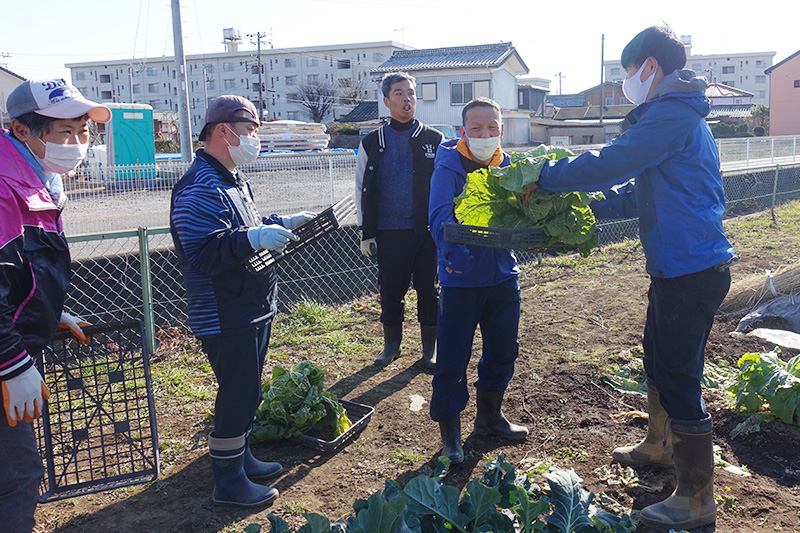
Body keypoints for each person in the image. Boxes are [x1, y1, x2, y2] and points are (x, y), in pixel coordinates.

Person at [526, 26, 736, 530]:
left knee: (681, 375)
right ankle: (660, 444)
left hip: (693, 267)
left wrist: (547, 177)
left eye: (626, 71)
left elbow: (614, 162)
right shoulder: (673, 115)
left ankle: (696, 497)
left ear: (650, 68)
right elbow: (635, 191)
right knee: (657, 357)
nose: (625, 82)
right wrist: (584, 210)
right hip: (677, 265)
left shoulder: (672, 113)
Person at [169, 95, 314, 507]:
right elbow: (203, 250)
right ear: (222, 131)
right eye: (250, 130)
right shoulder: (198, 186)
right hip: (224, 310)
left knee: (248, 391)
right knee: (237, 392)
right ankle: (228, 481)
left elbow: (241, 227)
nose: (254, 138)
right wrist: (253, 238)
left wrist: (276, 224)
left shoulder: (230, 178)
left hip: (250, 303)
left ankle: (242, 455)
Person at [0, 79, 110, 533]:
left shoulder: (33, 177)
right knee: (18, 475)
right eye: (65, 133)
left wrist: (46, 310)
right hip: (6, 355)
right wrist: (11, 364)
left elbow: (18, 272)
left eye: (83, 133)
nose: (78, 145)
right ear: (22, 130)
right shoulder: (6, 183)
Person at [428, 97, 529, 465]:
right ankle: (450, 434)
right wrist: (458, 252)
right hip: (460, 280)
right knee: (453, 358)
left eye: (492, 128)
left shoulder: (510, 166)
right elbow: (439, 219)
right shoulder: (448, 167)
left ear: (501, 130)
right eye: (476, 129)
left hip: (503, 276)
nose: (484, 135)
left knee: (503, 350)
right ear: (462, 132)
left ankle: (489, 418)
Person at [355, 72, 444, 369]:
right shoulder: (372, 142)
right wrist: (366, 232)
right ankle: (391, 345)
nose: (407, 99)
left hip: (426, 231)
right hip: (389, 232)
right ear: (386, 101)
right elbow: (361, 188)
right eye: (398, 94)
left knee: (429, 292)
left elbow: (445, 185)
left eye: (411, 94)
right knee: (391, 292)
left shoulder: (434, 139)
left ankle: (430, 347)